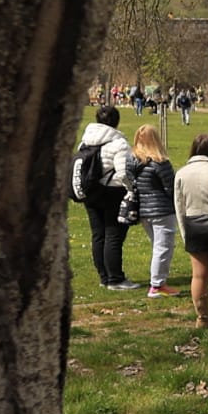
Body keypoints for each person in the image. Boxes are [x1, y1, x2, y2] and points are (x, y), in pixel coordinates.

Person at [78, 105, 139, 289]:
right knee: (113, 235)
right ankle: (116, 279)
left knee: (98, 235)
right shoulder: (119, 143)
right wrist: (131, 189)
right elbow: (123, 173)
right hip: (113, 192)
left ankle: (104, 277)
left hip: (91, 191)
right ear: (116, 121)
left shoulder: (86, 141)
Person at [175, 133, 208, 328]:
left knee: (198, 275)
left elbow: (179, 206)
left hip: (193, 223)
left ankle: (202, 317)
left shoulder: (181, 173)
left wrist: (185, 233)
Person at [131, 125, 179, 298]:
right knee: (163, 247)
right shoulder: (160, 162)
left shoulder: (133, 162)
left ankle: (158, 281)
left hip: (144, 210)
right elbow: (170, 187)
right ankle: (157, 285)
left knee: (157, 246)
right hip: (162, 210)